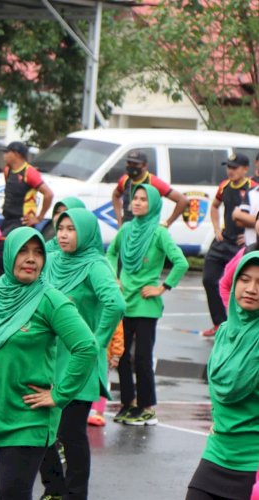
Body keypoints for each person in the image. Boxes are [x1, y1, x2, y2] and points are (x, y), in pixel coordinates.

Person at [0, 227, 98, 500]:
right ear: (10, 254)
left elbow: (86, 347)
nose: (31, 259)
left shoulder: (51, 300)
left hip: (25, 419)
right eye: (23, 251)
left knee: (13, 494)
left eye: (38, 253)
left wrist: (60, 394)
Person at [39, 208, 125, 499]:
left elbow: (115, 304)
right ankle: (54, 489)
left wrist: (96, 344)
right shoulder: (51, 261)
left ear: (86, 232)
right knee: (43, 429)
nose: (63, 234)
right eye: (60, 228)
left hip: (80, 361)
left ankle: (76, 494)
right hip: (50, 359)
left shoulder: (95, 265)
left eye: (71, 229)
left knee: (71, 433)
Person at [106, 185, 188, 426]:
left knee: (141, 357)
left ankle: (147, 407)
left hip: (146, 305)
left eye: (144, 199)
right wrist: (114, 278)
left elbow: (180, 262)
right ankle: (128, 403)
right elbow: (110, 253)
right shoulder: (127, 229)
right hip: (124, 303)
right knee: (120, 356)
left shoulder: (159, 233)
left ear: (153, 204)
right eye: (135, 198)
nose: (138, 203)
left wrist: (162, 287)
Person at [186, 251, 259, 500]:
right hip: (216, 452)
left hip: (253, 464)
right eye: (245, 279)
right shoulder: (226, 331)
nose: (251, 288)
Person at [201, 153, 256, 337]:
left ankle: (234, 322)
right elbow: (215, 206)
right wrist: (216, 228)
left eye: (235, 167)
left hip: (239, 246)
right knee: (209, 279)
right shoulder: (224, 186)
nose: (230, 171)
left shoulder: (252, 189)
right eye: (228, 167)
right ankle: (218, 323)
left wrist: (248, 234)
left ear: (245, 170)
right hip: (223, 240)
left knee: (237, 284)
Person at [0, 141, 54, 276]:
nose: (4, 156)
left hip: (22, 221)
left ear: (16, 154)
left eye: (7, 152)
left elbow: (48, 194)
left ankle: (10, 280)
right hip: (8, 219)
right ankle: (8, 279)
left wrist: (39, 217)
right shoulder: (8, 170)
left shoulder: (30, 172)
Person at [111, 150, 188, 228]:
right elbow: (115, 195)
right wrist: (119, 220)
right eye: (129, 163)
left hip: (147, 230)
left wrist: (167, 224)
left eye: (135, 164)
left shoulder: (154, 182)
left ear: (145, 166)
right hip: (127, 229)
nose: (131, 166)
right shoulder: (124, 180)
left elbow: (182, 200)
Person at [87, 321, 125, 427]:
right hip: (89, 353)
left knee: (101, 383)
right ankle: (89, 411)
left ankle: (98, 413)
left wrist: (116, 355)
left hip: (104, 356)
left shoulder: (112, 310)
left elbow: (118, 334)